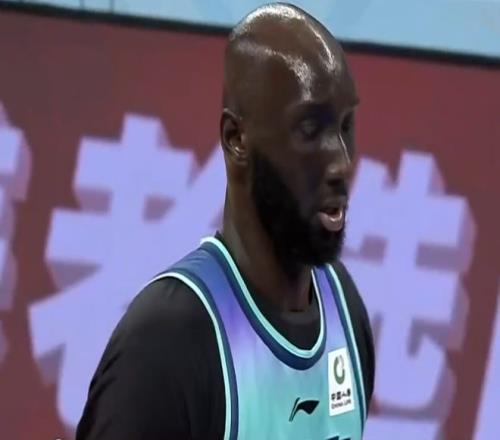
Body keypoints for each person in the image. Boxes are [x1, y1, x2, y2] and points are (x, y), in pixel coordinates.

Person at [76, 3, 375, 439]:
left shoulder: (344, 310)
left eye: (346, 126)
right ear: (236, 140)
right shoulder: (166, 345)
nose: (342, 164)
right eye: (310, 130)